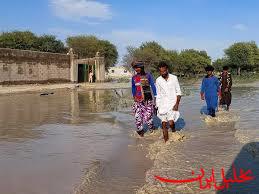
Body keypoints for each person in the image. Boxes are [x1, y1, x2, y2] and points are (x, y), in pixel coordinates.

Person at [156, 61, 181, 142]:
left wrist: (177, 104)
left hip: (172, 103)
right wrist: (157, 105)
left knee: (170, 123)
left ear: (167, 69)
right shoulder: (158, 80)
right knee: (163, 124)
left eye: (164, 71)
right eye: (161, 71)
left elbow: (178, 92)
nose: (163, 73)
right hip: (162, 104)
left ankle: (173, 131)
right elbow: (158, 94)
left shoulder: (174, 78)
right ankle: (166, 143)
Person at [131, 61, 157, 137]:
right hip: (138, 101)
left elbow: (153, 86)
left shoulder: (148, 76)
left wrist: (155, 97)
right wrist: (134, 96)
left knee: (148, 118)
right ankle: (141, 135)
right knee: (137, 117)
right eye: (135, 68)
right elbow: (133, 88)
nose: (137, 69)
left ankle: (152, 131)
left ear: (142, 67)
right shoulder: (134, 78)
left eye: (138, 67)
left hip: (147, 100)